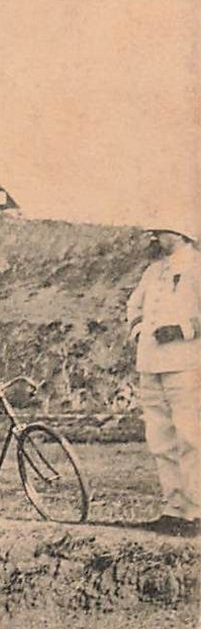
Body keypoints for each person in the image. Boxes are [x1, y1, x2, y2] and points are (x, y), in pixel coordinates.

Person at [126, 223, 201, 534]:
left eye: (161, 232)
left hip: (186, 363)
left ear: (181, 234)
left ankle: (195, 511)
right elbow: (135, 306)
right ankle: (173, 509)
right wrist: (140, 330)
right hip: (151, 364)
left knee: (190, 437)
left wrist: (182, 329)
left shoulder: (198, 267)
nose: (155, 238)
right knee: (160, 440)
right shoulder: (153, 271)